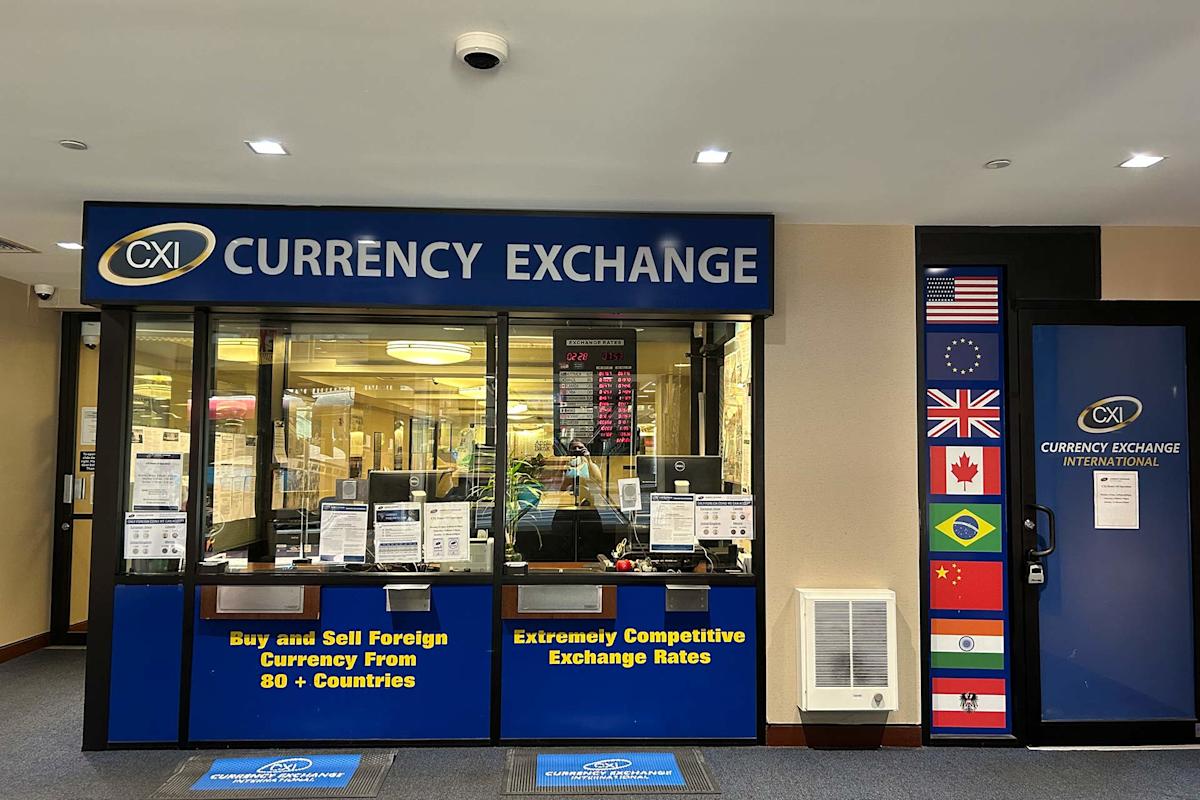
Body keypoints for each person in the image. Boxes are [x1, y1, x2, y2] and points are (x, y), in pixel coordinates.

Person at [561, 438, 605, 506]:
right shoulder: (565, 465)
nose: (577, 450)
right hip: (569, 499)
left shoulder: (589, 464)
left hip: (588, 499)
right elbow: (561, 486)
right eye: (574, 448)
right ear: (569, 451)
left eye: (580, 448)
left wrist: (588, 459)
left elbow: (598, 480)